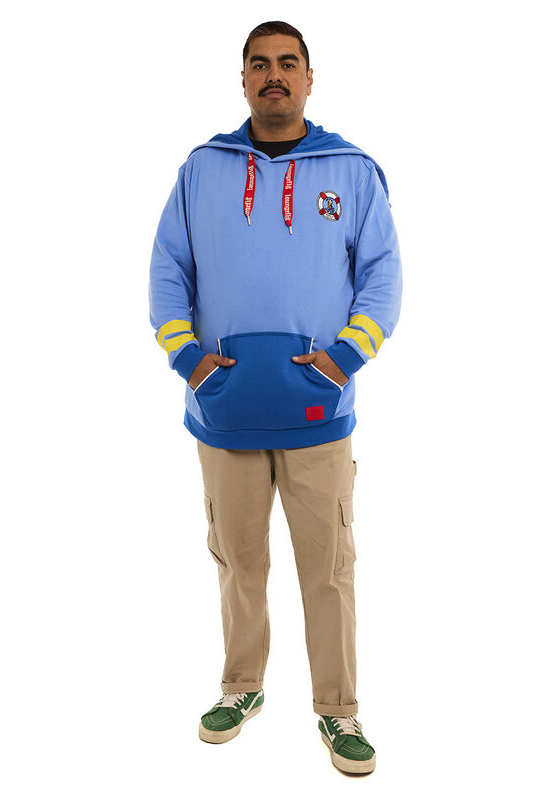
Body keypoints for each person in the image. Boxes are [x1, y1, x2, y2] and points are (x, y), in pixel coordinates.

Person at [148, 21, 402, 775]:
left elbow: (383, 276)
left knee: (329, 567)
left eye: (288, 63)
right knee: (238, 561)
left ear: (310, 78)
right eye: (260, 64)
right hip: (222, 410)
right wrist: (189, 360)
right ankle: (241, 688)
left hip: (318, 413)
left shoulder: (351, 171)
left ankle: (338, 709)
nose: (274, 76)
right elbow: (167, 269)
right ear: (243, 80)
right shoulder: (202, 169)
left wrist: (343, 360)